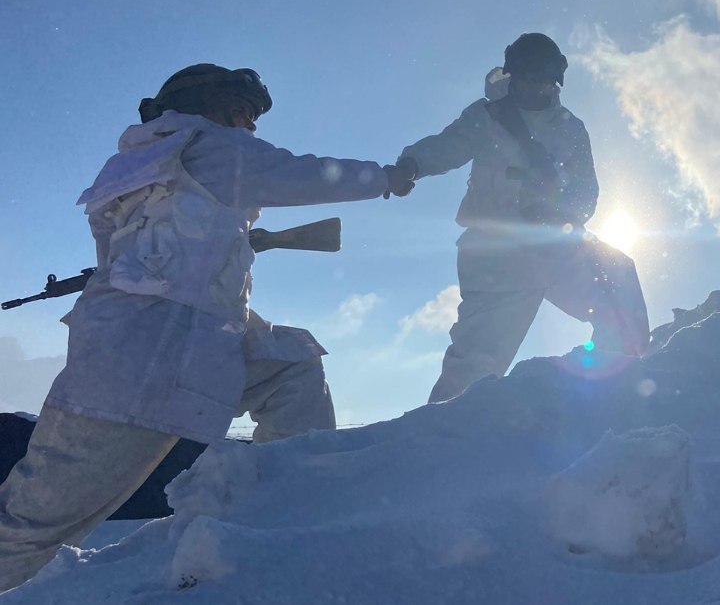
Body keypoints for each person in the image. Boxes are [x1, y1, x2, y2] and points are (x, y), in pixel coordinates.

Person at [0, 63, 415, 591]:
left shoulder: (141, 160)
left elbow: (158, 250)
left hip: (189, 342)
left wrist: (236, 241)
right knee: (30, 528)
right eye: (243, 112)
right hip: (132, 378)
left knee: (292, 369)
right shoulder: (211, 147)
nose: (252, 127)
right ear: (208, 105)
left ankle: (277, 521)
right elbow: (308, 172)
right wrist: (389, 177)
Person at [396, 33, 650, 403]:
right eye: (525, 76)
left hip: (555, 246)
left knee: (618, 276)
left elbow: (586, 193)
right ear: (512, 75)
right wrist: (411, 165)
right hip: (494, 255)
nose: (532, 86)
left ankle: (619, 387)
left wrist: (558, 214)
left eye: (541, 78)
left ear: (555, 81)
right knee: (473, 367)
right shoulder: (486, 118)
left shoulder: (570, 128)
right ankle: (440, 438)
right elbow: (446, 146)